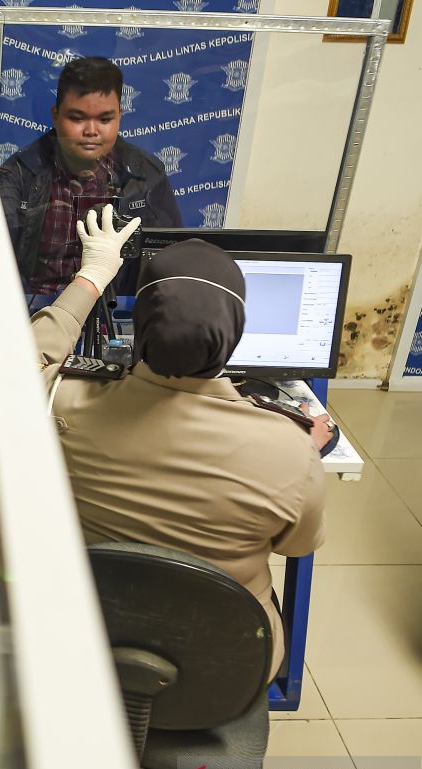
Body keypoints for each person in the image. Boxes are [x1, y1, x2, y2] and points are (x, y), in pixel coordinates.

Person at [32, 206, 328, 680]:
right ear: (234, 334)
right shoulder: (291, 449)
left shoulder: (59, 403)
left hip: (88, 646)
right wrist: (301, 457)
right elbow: (298, 546)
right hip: (222, 670)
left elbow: (2, 370)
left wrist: (92, 276)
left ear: (141, 326)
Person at [0, 56, 182, 296]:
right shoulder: (18, 175)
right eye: (77, 118)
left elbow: (170, 264)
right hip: (38, 316)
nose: (91, 131)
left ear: (119, 117)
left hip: (113, 316)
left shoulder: (147, 176)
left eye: (105, 119)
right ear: (56, 116)